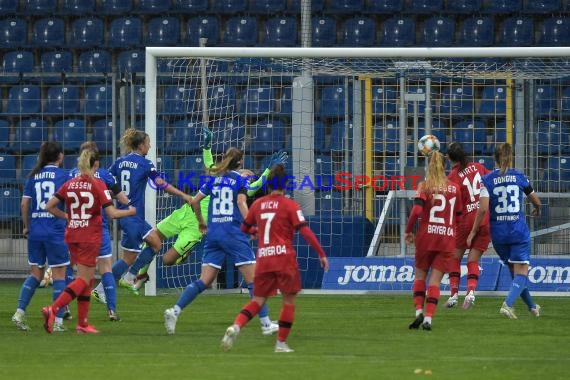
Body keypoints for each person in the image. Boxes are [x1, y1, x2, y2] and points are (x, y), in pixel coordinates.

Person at [123, 126, 287, 292]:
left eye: (251, 177)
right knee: (153, 237)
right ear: (240, 169)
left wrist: (268, 170)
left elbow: (257, 185)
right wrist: (207, 146)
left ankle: (182, 256)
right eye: (247, 173)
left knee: (167, 260)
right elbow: (209, 162)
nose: (249, 176)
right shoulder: (218, 175)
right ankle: (140, 274)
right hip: (184, 212)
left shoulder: (242, 187)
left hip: (196, 228)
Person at [163, 147, 284, 336]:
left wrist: (202, 223)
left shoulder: (213, 179)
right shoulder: (240, 181)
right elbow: (241, 203)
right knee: (254, 281)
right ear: (240, 163)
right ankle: (266, 324)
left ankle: (175, 311)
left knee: (204, 280)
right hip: (233, 234)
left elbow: (194, 201)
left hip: (214, 234)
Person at [220, 164, 329, 353]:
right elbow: (305, 231)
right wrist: (321, 253)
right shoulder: (290, 205)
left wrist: (256, 231)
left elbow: (245, 229)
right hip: (284, 258)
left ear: (268, 186)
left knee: (258, 300)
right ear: (284, 185)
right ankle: (280, 343)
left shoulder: (257, 204)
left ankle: (236, 326)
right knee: (288, 300)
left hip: (263, 259)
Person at [41, 149, 136, 334]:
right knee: (84, 280)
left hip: (72, 235)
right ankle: (53, 309)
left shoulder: (70, 183)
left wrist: (67, 216)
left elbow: (49, 206)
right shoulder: (98, 184)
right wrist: (130, 211)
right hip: (89, 237)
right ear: (96, 165)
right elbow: (112, 213)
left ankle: (82, 323)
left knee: (88, 278)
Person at [102, 128, 192, 297]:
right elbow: (159, 183)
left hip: (127, 215)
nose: (150, 147)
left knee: (154, 244)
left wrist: (115, 198)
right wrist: (182, 194)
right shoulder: (145, 164)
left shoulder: (119, 162)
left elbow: (107, 185)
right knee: (132, 256)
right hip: (133, 216)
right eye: (148, 143)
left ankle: (127, 277)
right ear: (142, 145)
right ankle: (106, 286)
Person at [467, 143, 541, 319]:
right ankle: (507, 305)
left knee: (515, 272)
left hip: (499, 234)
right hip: (517, 231)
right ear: (511, 158)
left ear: (495, 159)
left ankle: (532, 307)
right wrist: (537, 207)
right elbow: (534, 198)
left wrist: (473, 231)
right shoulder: (519, 176)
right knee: (521, 272)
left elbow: (483, 209)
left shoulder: (487, 180)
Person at [12, 142, 70, 332]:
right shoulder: (64, 175)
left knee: (36, 274)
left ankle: (19, 312)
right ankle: (58, 321)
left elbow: (24, 205)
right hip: (55, 230)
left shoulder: (33, 176)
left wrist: (27, 226)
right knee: (59, 275)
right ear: (60, 156)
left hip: (36, 229)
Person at [70, 141, 129, 321]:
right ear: (97, 159)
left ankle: (64, 308)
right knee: (106, 268)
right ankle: (111, 310)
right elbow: (124, 199)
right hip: (98, 228)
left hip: (77, 229)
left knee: (74, 271)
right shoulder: (104, 176)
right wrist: (109, 196)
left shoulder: (71, 175)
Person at [406, 151, 463, 331]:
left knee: (420, 276)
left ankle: (418, 312)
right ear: (445, 167)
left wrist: (408, 231)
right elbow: (459, 216)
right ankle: (429, 318)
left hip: (426, 238)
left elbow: (416, 212)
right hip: (446, 239)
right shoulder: (455, 188)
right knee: (435, 282)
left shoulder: (425, 186)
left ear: (429, 167)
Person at [444, 142, 491, 309]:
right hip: (484, 220)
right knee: (473, 260)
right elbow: (491, 184)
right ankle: (471, 293)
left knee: (454, 257)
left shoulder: (452, 177)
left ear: (449, 158)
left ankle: (454, 295)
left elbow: (451, 203)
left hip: (465, 222)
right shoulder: (479, 167)